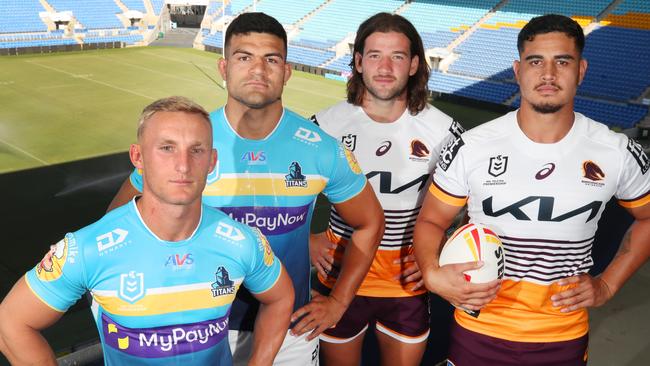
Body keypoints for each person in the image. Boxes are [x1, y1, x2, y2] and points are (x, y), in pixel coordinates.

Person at [107, 13, 384, 365]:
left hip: (291, 332)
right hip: (200, 331)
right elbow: (118, 222)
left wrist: (338, 302)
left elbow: (371, 220)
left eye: (271, 59)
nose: (258, 70)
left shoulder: (321, 148)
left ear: (286, 71)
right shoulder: (188, 143)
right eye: (244, 57)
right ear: (224, 68)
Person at [414, 14, 650, 366]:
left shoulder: (615, 151)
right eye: (536, 61)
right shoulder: (472, 146)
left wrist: (607, 285)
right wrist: (432, 274)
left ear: (581, 70)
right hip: (478, 330)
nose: (549, 74)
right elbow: (431, 220)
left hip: (561, 336)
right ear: (517, 69)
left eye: (563, 61)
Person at [0, 96, 294, 365]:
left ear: (212, 162)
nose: (183, 165)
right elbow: (10, 323)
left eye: (197, 150)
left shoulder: (241, 241)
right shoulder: (88, 248)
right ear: (138, 157)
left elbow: (280, 298)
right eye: (167, 148)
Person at [309, 12, 464, 366]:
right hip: (339, 270)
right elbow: (282, 193)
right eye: (375, 55)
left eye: (397, 56)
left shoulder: (445, 131)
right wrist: (306, 237)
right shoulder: (325, 125)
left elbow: (477, 201)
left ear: (413, 65)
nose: (385, 67)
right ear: (359, 62)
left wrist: (441, 248)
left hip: (405, 280)